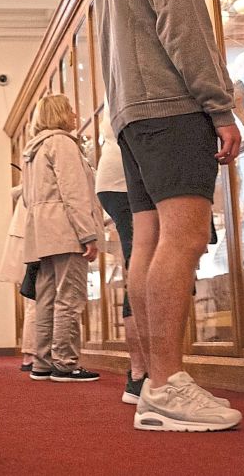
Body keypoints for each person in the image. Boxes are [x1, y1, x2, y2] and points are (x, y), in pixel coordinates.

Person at [86, 0, 242, 431]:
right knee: (185, 237)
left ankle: (153, 382)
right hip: (173, 111)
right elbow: (186, 31)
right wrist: (219, 107)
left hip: (131, 119)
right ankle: (168, 383)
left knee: (147, 242)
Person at [21, 94, 101, 383]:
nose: (75, 114)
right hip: (66, 230)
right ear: (59, 114)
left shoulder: (32, 150)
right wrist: (87, 233)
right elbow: (74, 192)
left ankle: (42, 363)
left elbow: (28, 200)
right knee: (69, 298)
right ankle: (66, 364)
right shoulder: (63, 143)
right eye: (69, 109)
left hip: (41, 234)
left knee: (46, 299)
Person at [95, 108, 148, 404]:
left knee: (139, 261)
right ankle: (140, 373)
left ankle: (141, 373)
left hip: (117, 178)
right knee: (141, 264)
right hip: (128, 179)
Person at [0, 170, 37, 371]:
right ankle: (31, 355)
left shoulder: (25, 190)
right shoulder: (32, 189)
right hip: (30, 245)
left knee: (33, 302)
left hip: (25, 244)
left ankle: (31, 354)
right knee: (35, 302)